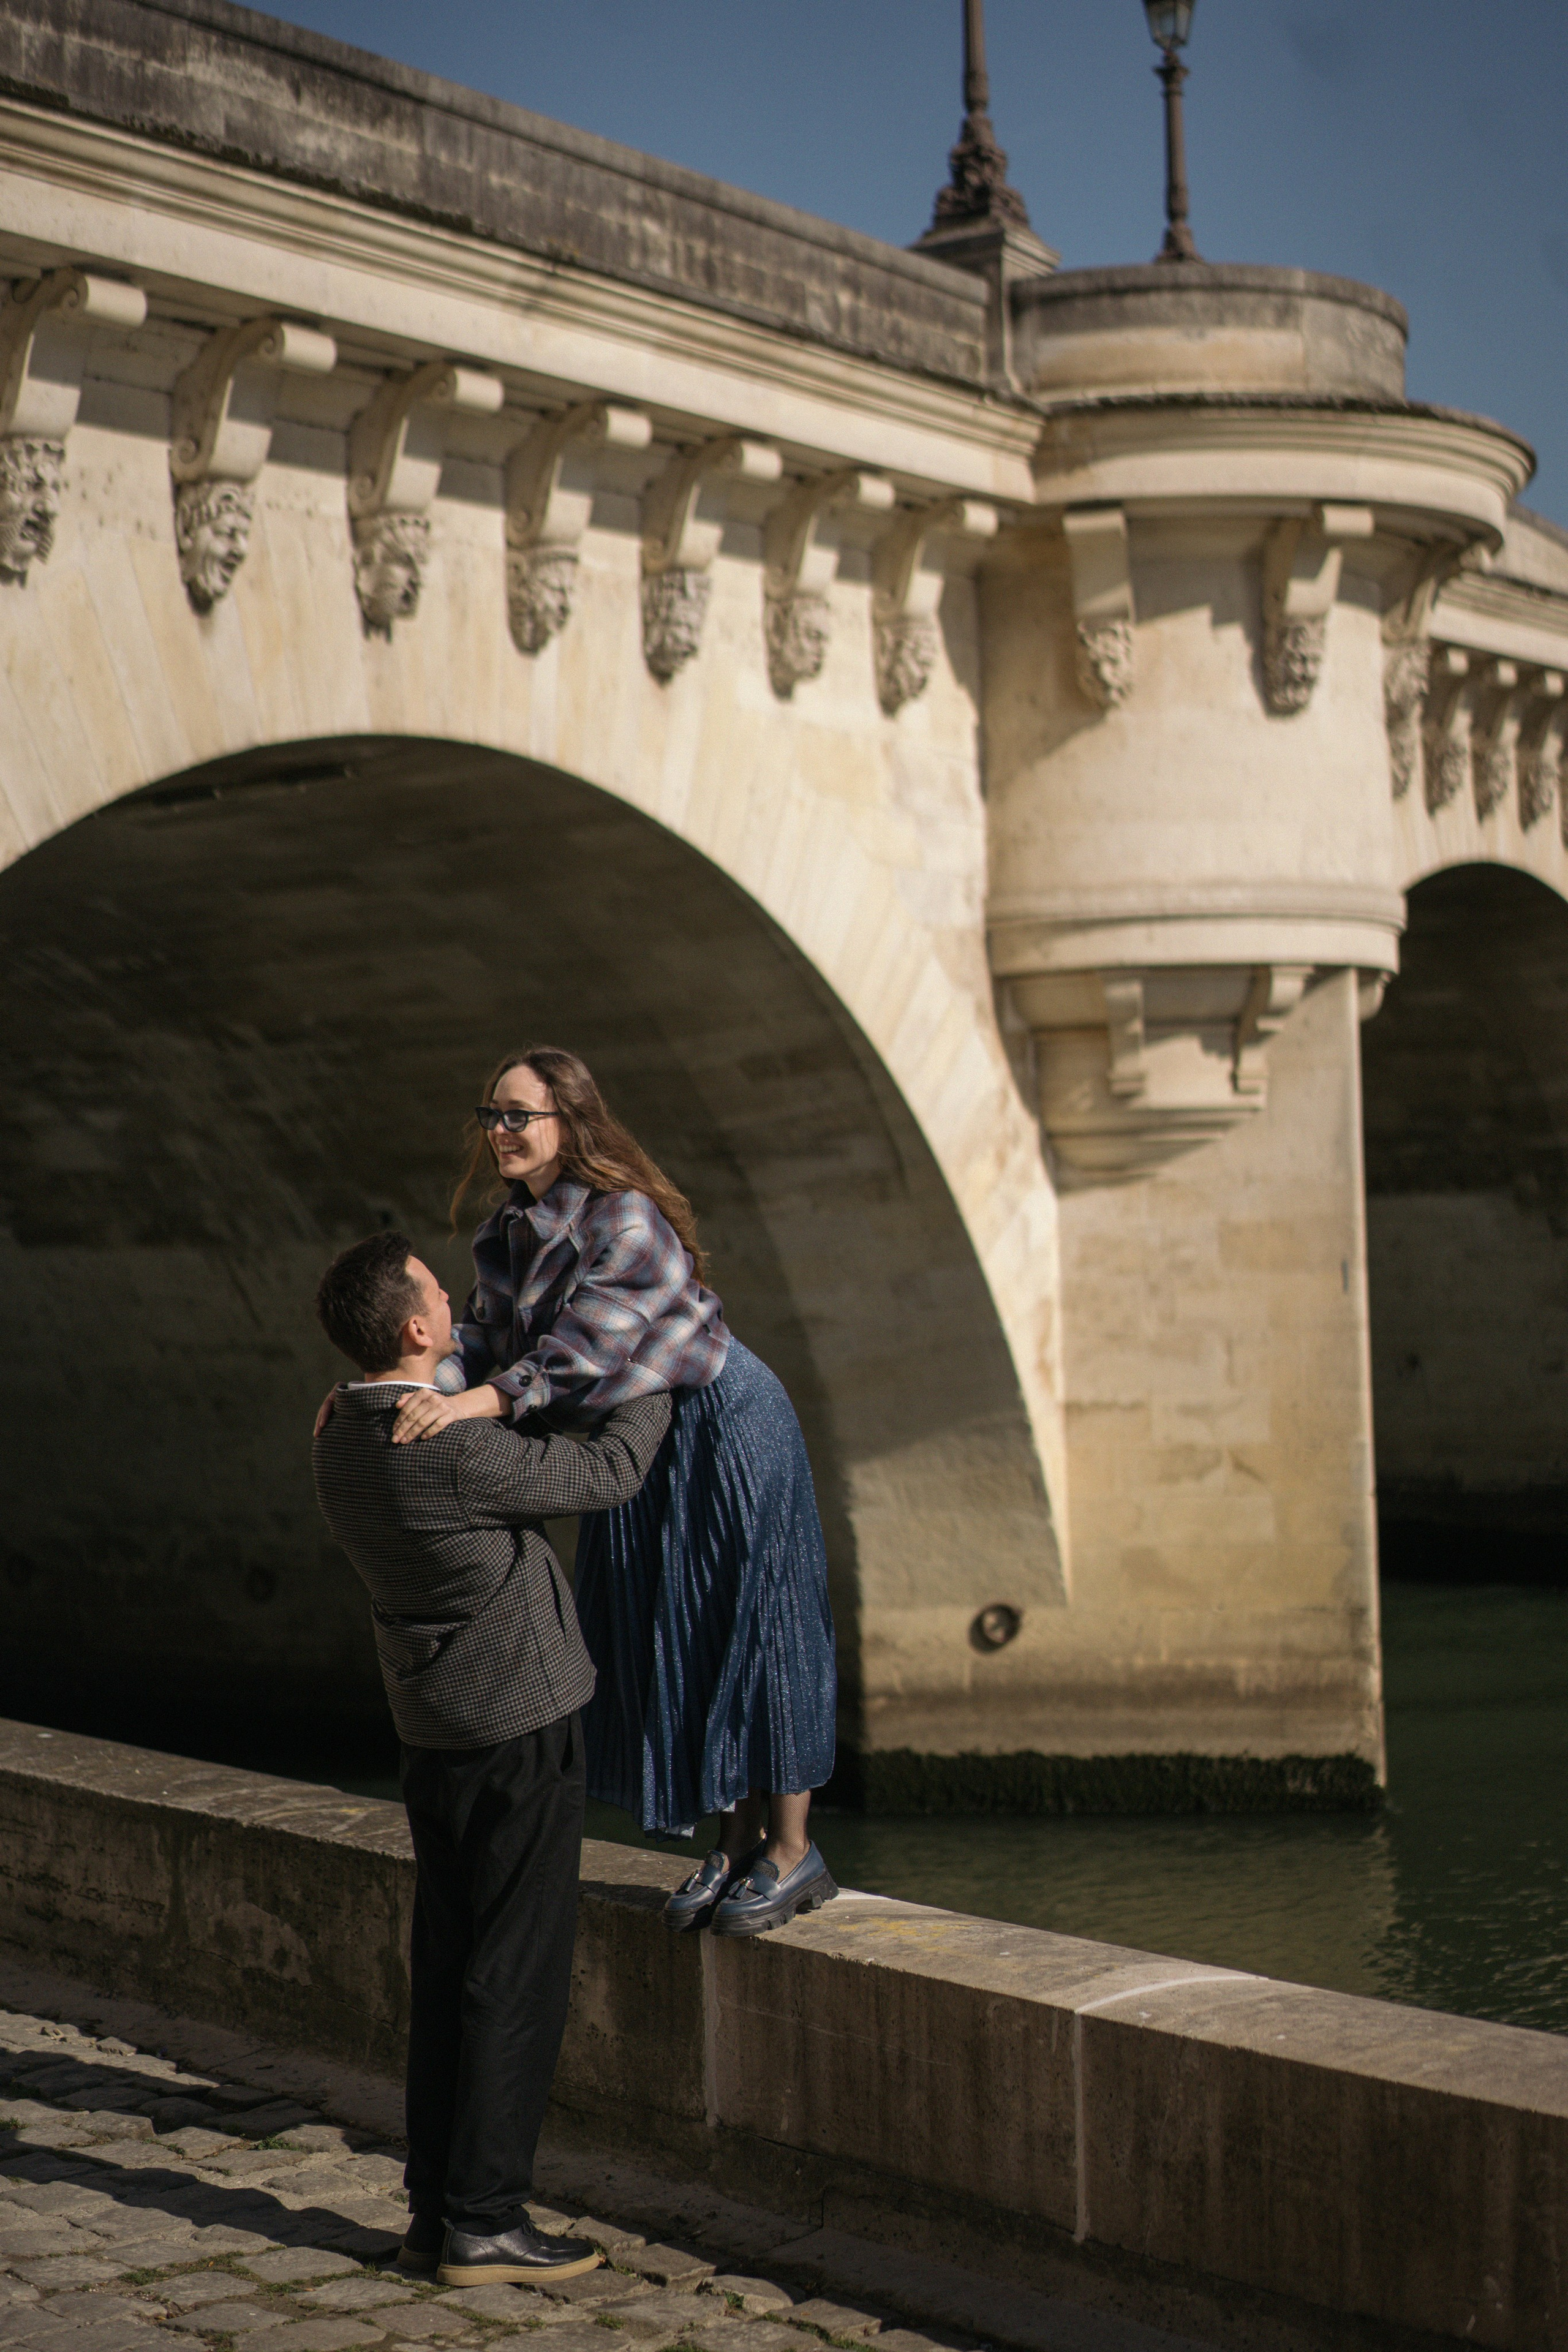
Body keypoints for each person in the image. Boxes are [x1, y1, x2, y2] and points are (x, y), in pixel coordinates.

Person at [388, 1046, 839, 1936]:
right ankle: (736, 1839)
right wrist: (393, 1388)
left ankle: (792, 1853)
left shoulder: (625, 1219)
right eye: (493, 1116)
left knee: (757, 1619)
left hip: (723, 1422)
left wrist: (479, 1400)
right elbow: (481, 1337)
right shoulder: (508, 1231)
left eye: (520, 1115)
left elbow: (590, 1346)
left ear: (571, 1122)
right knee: (687, 1628)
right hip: (647, 1441)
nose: (502, 1133)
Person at [311, 1229, 671, 2285]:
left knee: (450, 1965)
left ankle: (435, 2212)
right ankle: (485, 2221)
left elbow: (441, 1401)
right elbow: (608, 1472)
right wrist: (646, 1372)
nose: (454, 1298)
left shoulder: (337, 1435)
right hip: (517, 1724)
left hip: (433, 1727)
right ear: (419, 1328)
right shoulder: (449, 1449)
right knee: (516, 1972)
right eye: (437, 1290)